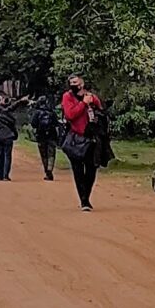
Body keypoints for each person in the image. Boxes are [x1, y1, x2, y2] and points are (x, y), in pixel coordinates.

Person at [59, 75, 105, 210]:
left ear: (82, 83)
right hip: (76, 138)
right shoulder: (67, 97)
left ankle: (87, 195)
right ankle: (84, 200)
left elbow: (100, 110)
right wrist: (83, 103)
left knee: (91, 169)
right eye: (71, 82)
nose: (73, 84)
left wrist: (92, 102)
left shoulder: (91, 96)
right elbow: (70, 115)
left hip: (91, 138)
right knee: (78, 170)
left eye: (76, 82)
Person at [0, 88, 24, 180]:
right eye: (2, 98)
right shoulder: (2, 110)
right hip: (7, 135)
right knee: (7, 155)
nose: (4, 99)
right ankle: (5, 175)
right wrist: (20, 101)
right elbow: (10, 108)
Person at [28, 86, 61, 179]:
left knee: (44, 154)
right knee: (51, 154)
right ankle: (50, 169)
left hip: (41, 135)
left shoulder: (37, 112)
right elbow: (56, 124)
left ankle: (46, 171)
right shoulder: (52, 112)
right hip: (52, 135)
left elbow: (33, 124)